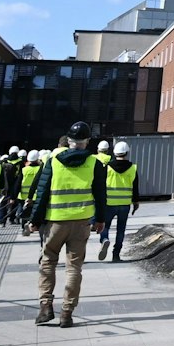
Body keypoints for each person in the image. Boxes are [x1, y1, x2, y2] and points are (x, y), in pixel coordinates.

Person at [27, 122, 107, 328]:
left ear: (69, 141)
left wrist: (35, 221)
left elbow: (42, 192)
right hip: (81, 223)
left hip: (54, 222)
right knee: (74, 268)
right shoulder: (94, 163)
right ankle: (66, 313)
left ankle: (45, 308)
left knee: (47, 262)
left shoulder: (52, 160)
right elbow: (100, 194)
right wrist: (100, 219)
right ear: (87, 141)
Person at [96, 141, 139, 261]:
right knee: (121, 230)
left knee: (105, 226)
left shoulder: (107, 167)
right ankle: (116, 254)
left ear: (114, 153)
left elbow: (101, 185)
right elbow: (135, 188)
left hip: (109, 203)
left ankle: (104, 240)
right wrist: (135, 202)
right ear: (127, 153)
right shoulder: (132, 168)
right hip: (125, 205)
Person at [19, 150, 43, 235]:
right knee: (36, 212)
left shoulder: (24, 170)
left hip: (24, 195)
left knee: (25, 212)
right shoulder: (40, 169)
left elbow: (18, 182)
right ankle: (33, 225)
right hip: (37, 195)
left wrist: (13, 195)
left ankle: (24, 227)